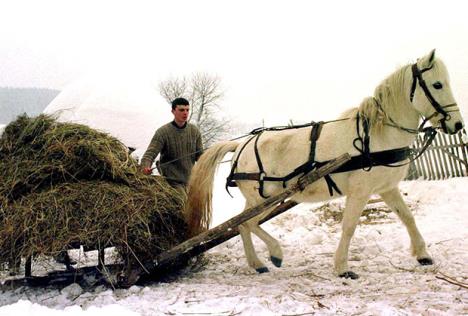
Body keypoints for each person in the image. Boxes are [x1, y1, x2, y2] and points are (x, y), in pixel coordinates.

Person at [140, 97, 203, 191]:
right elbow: (149, 155)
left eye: (187, 110)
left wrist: (213, 157)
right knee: (182, 202)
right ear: (173, 111)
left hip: (190, 181)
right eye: (181, 110)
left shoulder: (194, 131)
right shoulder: (163, 132)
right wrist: (145, 167)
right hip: (170, 183)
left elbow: (200, 157)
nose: (185, 113)